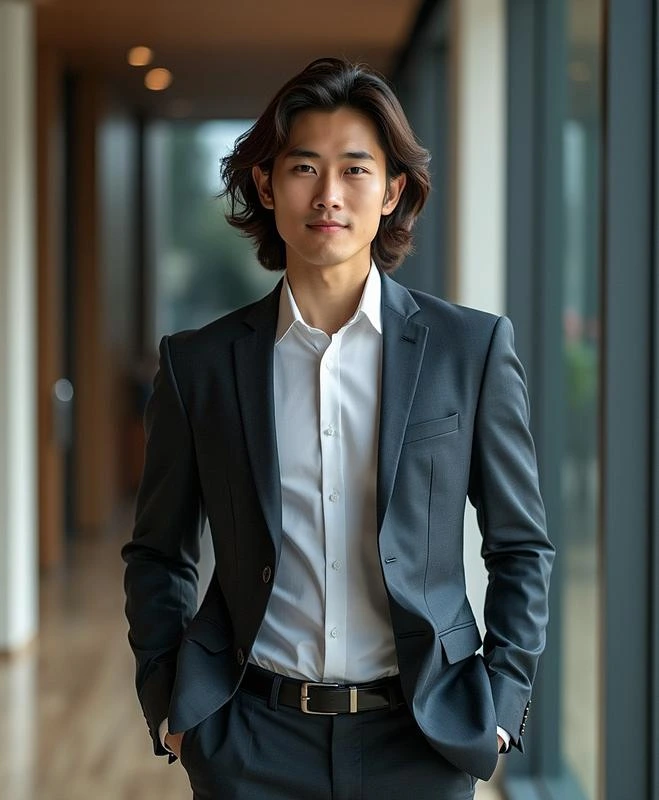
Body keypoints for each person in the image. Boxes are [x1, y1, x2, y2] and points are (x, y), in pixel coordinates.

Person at [122, 57, 554, 800]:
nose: (328, 195)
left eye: (355, 170)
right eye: (303, 168)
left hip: (419, 740)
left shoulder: (469, 350)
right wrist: (170, 705)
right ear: (265, 185)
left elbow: (519, 544)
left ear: (391, 192)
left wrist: (501, 705)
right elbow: (159, 552)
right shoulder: (199, 366)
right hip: (247, 737)